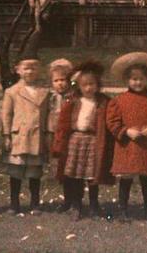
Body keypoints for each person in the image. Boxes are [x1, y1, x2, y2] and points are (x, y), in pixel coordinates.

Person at [106, 52, 147, 221]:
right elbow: (112, 122)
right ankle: (123, 211)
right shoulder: (119, 101)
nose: (138, 82)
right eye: (134, 79)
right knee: (126, 179)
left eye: (141, 79)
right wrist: (126, 131)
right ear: (127, 80)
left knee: (146, 178)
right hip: (128, 146)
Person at [52, 60, 115, 220]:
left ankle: (94, 206)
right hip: (76, 141)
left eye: (92, 84)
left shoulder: (103, 102)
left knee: (92, 175)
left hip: (93, 141)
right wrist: (59, 144)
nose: (88, 88)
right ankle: (76, 205)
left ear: (97, 84)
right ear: (78, 86)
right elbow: (63, 124)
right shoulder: (73, 101)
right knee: (75, 175)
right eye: (84, 85)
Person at [1, 43, 52, 215]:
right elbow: (6, 115)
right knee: (16, 171)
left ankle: (35, 203)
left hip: (37, 137)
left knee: (34, 172)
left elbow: (49, 114)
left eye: (34, 68)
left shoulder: (45, 91)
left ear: (39, 70)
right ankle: (14, 203)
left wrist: (48, 134)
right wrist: (6, 135)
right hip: (19, 137)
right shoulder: (12, 91)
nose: (30, 71)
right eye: (26, 68)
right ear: (18, 70)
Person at [47, 58, 74, 210]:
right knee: (60, 168)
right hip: (55, 136)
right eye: (56, 80)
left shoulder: (73, 97)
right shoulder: (51, 97)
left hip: (70, 136)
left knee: (71, 168)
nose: (60, 84)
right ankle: (67, 200)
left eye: (63, 80)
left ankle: (74, 199)